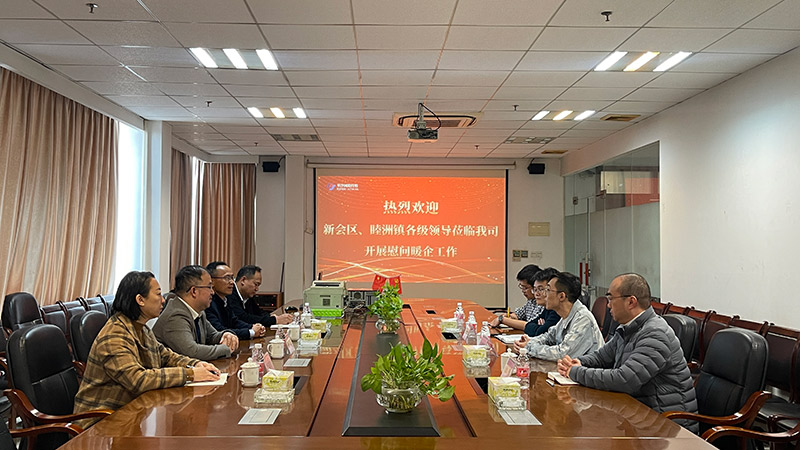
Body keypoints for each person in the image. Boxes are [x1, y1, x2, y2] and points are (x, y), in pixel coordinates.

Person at [73, 271, 220, 427]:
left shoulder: (141, 328)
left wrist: (196, 364)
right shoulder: (114, 335)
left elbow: (166, 356)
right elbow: (138, 380)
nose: (163, 300)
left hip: (128, 415)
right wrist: (190, 374)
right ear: (140, 300)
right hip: (98, 424)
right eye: (158, 294)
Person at [556, 273, 698, 433]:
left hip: (668, 427)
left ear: (631, 302)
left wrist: (575, 372)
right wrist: (578, 362)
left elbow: (625, 380)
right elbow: (601, 357)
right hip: (640, 416)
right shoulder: (628, 327)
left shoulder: (655, 334)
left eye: (611, 298)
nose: (608, 305)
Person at [153, 265, 239, 360]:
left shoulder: (198, 311)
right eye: (209, 287)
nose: (212, 292)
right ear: (194, 291)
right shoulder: (175, 315)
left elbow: (212, 336)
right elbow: (192, 352)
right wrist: (226, 349)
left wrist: (226, 335)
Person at [513, 271, 603, 361]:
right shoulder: (565, 315)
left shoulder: (583, 319)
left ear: (561, 296)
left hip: (587, 369)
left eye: (548, 290)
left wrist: (529, 348)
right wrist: (529, 342)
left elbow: (562, 354)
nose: (544, 294)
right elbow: (549, 337)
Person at [205, 261, 266, 340]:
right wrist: (251, 332)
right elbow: (219, 331)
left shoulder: (225, 299)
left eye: (232, 278)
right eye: (227, 278)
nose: (232, 282)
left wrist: (253, 327)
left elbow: (234, 321)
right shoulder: (208, 303)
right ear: (212, 281)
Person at [228, 265, 293, 328]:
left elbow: (258, 312)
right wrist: (275, 320)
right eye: (256, 284)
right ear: (243, 280)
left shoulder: (247, 295)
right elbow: (243, 318)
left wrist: (271, 316)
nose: (257, 289)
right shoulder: (230, 293)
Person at [490, 264, 541, 331]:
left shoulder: (542, 304)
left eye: (525, 288)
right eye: (521, 287)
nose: (523, 291)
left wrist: (502, 319)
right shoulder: (531, 301)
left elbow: (529, 326)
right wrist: (509, 316)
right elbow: (518, 315)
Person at [523, 267, 561, 336]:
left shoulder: (557, 311)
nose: (536, 294)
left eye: (540, 289)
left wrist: (540, 328)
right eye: (535, 289)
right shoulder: (548, 308)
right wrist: (540, 327)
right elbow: (527, 326)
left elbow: (540, 332)